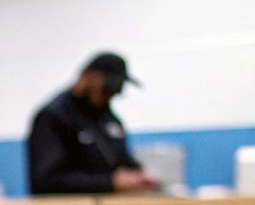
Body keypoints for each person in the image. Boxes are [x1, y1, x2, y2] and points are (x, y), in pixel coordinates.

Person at [26, 52, 160, 195]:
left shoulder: (109, 119)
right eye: (106, 90)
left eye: (115, 92)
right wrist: (110, 182)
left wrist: (139, 176)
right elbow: (46, 182)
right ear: (87, 77)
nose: (109, 96)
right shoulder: (54, 116)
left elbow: (121, 161)